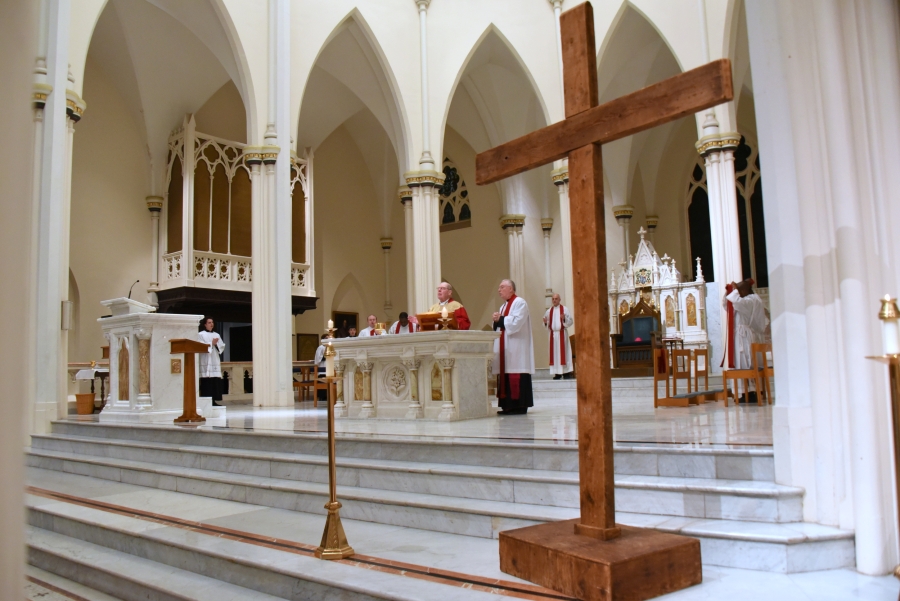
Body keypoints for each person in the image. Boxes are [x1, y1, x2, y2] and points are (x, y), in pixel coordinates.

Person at [722, 278, 769, 403]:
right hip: (740, 335)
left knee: (744, 362)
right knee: (741, 362)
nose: (738, 292)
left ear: (744, 290)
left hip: (744, 337)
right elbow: (727, 304)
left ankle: (748, 392)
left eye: (739, 290)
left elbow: (736, 302)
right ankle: (744, 391)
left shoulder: (751, 300)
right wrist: (729, 291)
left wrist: (735, 290)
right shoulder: (748, 299)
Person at [492, 279, 535, 415]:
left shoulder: (520, 303)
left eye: (502, 287)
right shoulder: (503, 306)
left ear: (511, 289)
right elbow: (502, 324)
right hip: (507, 347)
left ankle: (518, 406)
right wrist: (496, 320)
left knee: (516, 373)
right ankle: (507, 406)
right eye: (499, 287)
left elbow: (516, 322)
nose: (499, 290)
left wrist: (500, 319)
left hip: (517, 347)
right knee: (506, 373)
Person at [543, 293, 574, 380]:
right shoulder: (549, 311)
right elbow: (546, 323)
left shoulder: (565, 309)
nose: (554, 300)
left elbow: (570, 321)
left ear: (559, 300)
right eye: (553, 299)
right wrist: (545, 322)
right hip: (553, 335)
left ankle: (566, 372)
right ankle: (557, 373)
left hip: (562, 334)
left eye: (556, 299)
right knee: (555, 354)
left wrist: (564, 318)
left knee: (564, 353)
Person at [198, 317, 226, 406]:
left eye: (212, 322)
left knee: (215, 381)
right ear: (205, 324)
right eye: (209, 322)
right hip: (206, 360)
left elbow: (221, 346)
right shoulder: (200, 334)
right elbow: (200, 346)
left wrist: (216, 344)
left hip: (214, 359)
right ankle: (206, 402)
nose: (211, 324)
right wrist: (211, 344)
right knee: (207, 381)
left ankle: (214, 400)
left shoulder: (217, 335)